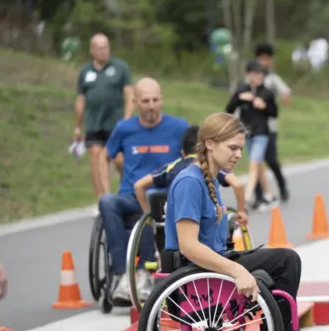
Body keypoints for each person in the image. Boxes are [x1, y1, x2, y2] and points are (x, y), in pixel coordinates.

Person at [164, 112, 315, 331]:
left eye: (241, 149)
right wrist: (236, 271)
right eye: (232, 147)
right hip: (196, 277)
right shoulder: (190, 182)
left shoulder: (209, 178)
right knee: (286, 260)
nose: (238, 154)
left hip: (211, 266)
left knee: (285, 261)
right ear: (210, 143)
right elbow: (188, 245)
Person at [99, 77, 190, 304]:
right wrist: (103, 189)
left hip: (165, 198)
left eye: (155, 100)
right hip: (130, 195)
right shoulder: (124, 128)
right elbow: (105, 156)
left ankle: (142, 273)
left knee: (153, 197)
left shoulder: (179, 127)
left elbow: (193, 159)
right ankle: (121, 275)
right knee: (107, 202)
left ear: (161, 99)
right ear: (135, 102)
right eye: (146, 100)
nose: (151, 105)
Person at [134, 125, 247, 224]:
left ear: (183, 152)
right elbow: (237, 185)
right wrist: (241, 211)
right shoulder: (211, 165)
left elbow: (139, 185)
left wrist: (148, 215)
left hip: (171, 225)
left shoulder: (171, 167)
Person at [74, 33, 134, 200]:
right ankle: (104, 198)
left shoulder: (120, 68)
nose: (103, 51)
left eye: (106, 47)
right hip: (94, 124)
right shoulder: (85, 72)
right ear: (92, 50)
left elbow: (129, 94)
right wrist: (78, 127)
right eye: (99, 48)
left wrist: (127, 119)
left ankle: (127, 192)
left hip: (115, 124)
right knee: (96, 158)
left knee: (120, 160)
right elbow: (80, 99)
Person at [226, 61, 278, 209]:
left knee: (254, 163)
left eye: (261, 73)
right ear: (248, 74)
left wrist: (264, 106)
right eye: (255, 73)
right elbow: (229, 109)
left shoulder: (266, 92)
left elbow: (274, 113)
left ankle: (247, 197)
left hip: (262, 133)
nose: (259, 76)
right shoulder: (241, 90)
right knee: (258, 164)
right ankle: (269, 194)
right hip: (246, 133)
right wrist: (240, 98)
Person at [252, 43, 291, 208]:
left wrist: (284, 97)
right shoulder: (252, 78)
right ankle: (258, 195)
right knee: (256, 161)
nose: (264, 61)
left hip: (270, 126)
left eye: (267, 58)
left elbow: (285, 91)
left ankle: (282, 186)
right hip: (254, 126)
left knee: (270, 159)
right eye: (262, 58)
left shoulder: (272, 79)